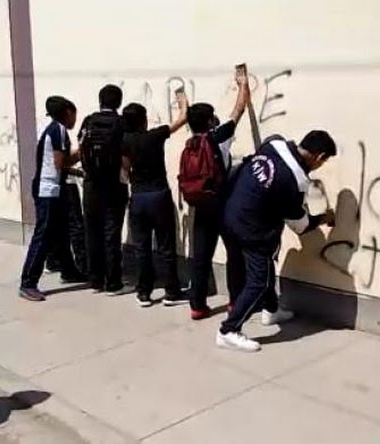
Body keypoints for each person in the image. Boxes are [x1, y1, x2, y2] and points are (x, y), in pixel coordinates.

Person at [217, 132, 336, 352]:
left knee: (265, 264)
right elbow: (299, 226)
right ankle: (228, 330)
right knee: (258, 281)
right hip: (251, 229)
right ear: (319, 157)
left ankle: (271, 310)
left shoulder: (274, 145)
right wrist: (324, 218)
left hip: (229, 213)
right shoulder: (296, 180)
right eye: (325, 161)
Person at [185, 70, 250, 320]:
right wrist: (243, 84)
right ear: (211, 121)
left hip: (199, 206)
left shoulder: (190, 144)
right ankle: (235, 301)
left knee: (200, 256)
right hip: (222, 205)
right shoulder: (218, 138)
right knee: (234, 252)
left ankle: (197, 305)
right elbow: (239, 110)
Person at [121, 93, 190, 307]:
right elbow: (182, 118)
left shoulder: (124, 141)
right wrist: (182, 99)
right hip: (159, 194)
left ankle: (144, 293)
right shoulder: (155, 135)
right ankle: (171, 292)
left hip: (138, 197)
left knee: (142, 248)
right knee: (166, 246)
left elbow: (125, 168)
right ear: (143, 119)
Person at [19, 96, 85, 302]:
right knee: (44, 235)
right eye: (74, 113)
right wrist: (79, 159)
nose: (75, 118)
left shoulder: (55, 129)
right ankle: (28, 282)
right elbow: (59, 163)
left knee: (62, 231)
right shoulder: (58, 130)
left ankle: (69, 270)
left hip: (55, 190)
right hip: (47, 191)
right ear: (67, 113)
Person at [79, 85, 128, 293]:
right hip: (114, 185)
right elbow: (126, 154)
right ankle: (113, 281)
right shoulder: (121, 123)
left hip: (91, 185)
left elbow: (81, 147)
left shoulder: (88, 121)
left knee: (92, 231)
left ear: (100, 101)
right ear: (118, 102)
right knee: (111, 233)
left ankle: (95, 279)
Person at [45, 166, 88, 276]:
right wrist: (80, 172)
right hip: (66, 183)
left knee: (57, 224)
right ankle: (82, 266)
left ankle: (55, 261)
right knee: (75, 225)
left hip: (53, 184)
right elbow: (61, 163)